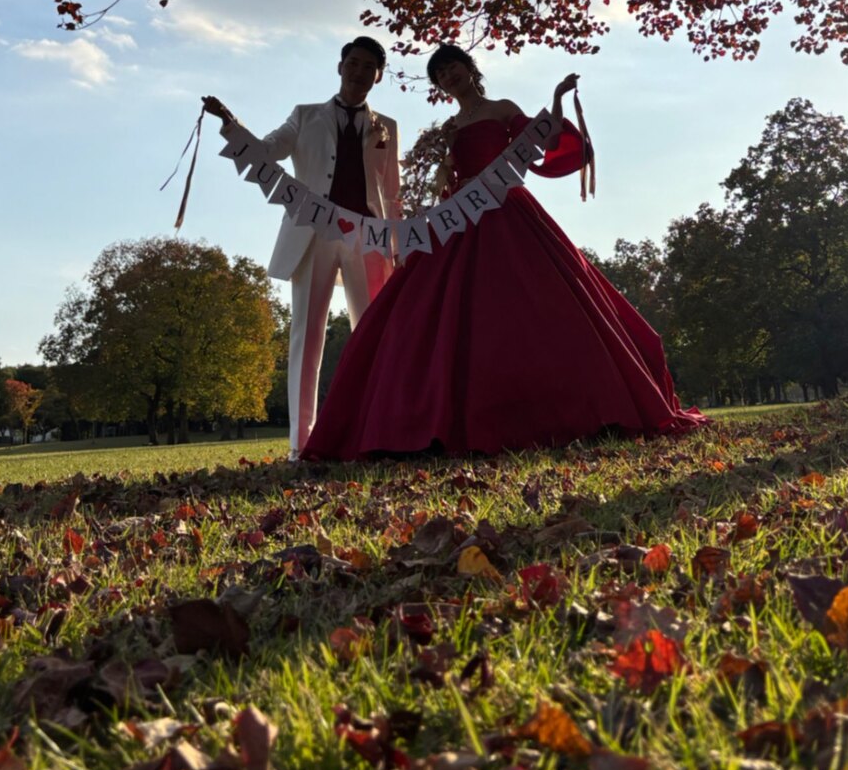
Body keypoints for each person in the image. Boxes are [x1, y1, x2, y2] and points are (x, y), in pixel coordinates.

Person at [301, 45, 706, 460]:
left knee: (544, 303)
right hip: (458, 217)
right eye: (439, 74)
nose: (447, 77)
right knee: (416, 313)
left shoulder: (501, 109)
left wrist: (556, 101)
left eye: (451, 67)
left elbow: (540, 139)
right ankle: (419, 419)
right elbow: (445, 179)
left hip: (510, 211)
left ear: (469, 69)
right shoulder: (449, 128)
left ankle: (580, 404)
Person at [202, 37, 401, 460]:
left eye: (370, 67)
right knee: (306, 338)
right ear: (340, 66)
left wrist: (396, 247)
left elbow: (392, 193)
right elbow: (267, 153)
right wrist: (231, 125)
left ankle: (375, 435)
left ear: (379, 76)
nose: (360, 72)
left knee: (373, 335)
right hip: (312, 233)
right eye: (354, 63)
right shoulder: (305, 116)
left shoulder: (388, 126)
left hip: (368, 238)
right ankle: (301, 446)